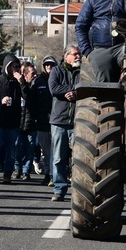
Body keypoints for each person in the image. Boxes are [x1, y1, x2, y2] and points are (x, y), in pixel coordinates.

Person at [75, 0, 126, 84]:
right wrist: (88, 52)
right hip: (101, 49)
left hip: (123, 47)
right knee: (104, 87)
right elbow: (80, 26)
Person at [48, 45, 80, 201]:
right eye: (74, 54)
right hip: (59, 121)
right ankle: (59, 189)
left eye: (79, 54)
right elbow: (53, 88)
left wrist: (75, 93)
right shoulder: (57, 71)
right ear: (66, 56)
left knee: (79, 157)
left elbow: (87, 88)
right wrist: (69, 90)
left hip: (78, 122)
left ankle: (79, 189)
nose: (78, 56)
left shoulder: (83, 72)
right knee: (59, 157)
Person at [0, 54, 23, 184]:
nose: (15, 69)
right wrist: (0, 101)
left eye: (17, 66)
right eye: (13, 66)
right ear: (7, 67)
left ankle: (7, 173)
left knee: (11, 149)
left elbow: (28, 97)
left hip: (13, 122)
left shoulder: (19, 82)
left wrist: (22, 83)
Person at [31, 56, 58, 184]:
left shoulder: (59, 79)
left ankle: (54, 175)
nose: (49, 67)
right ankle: (48, 172)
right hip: (42, 122)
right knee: (46, 151)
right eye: (47, 65)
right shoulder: (38, 81)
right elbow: (32, 101)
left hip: (57, 120)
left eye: (51, 65)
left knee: (56, 150)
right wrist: (35, 116)